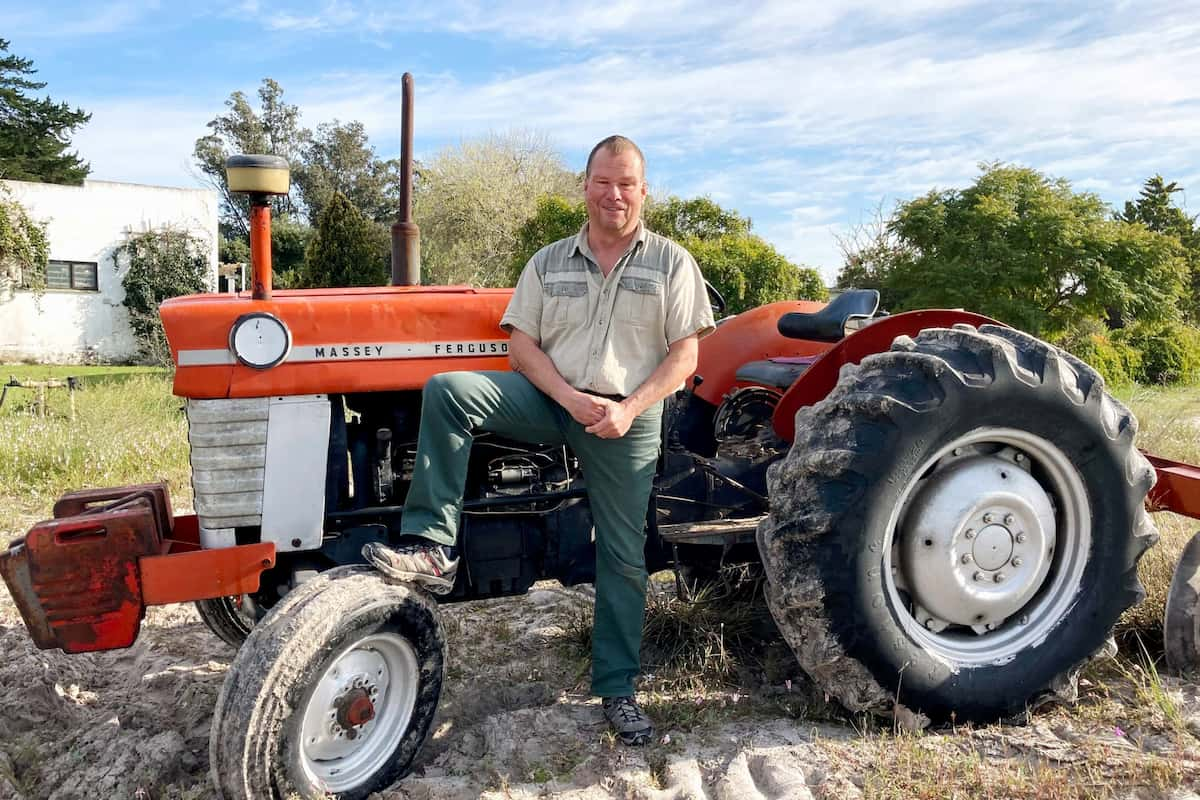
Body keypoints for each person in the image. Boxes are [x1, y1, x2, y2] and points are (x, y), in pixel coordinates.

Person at [363, 135, 715, 745]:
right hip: (556, 401)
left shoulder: (672, 262)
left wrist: (628, 408)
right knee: (450, 390)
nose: (614, 194)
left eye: (626, 183)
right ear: (585, 185)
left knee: (624, 556)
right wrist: (567, 397)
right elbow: (520, 345)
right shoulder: (549, 262)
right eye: (604, 181)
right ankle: (433, 546)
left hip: (624, 419)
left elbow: (686, 355)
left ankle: (618, 689)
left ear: (643, 190)